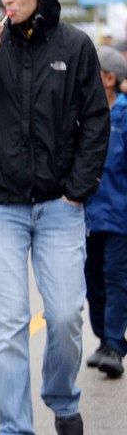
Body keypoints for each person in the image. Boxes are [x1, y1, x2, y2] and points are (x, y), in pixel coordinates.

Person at [0, 0, 109, 435]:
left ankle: (62, 400)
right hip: (0, 206)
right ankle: (15, 427)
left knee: (64, 318)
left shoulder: (77, 46)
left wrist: (78, 191)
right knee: (11, 327)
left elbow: (96, 122)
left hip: (61, 205)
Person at [83, 45, 127, 379]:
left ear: (109, 79)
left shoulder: (124, 116)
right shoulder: (82, 113)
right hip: (87, 217)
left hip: (119, 218)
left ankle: (114, 344)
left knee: (115, 279)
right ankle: (103, 339)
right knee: (92, 282)